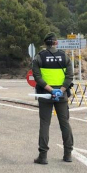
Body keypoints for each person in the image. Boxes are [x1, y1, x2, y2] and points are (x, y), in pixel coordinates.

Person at [32, 32, 74, 164]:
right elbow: (69, 77)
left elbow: (37, 78)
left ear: (45, 44)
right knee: (65, 123)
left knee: (45, 124)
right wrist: (60, 91)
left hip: (45, 94)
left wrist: (51, 90)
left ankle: (43, 156)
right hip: (61, 95)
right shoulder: (65, 56)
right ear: (56, 42)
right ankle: (68, 154)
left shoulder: (39, 57)